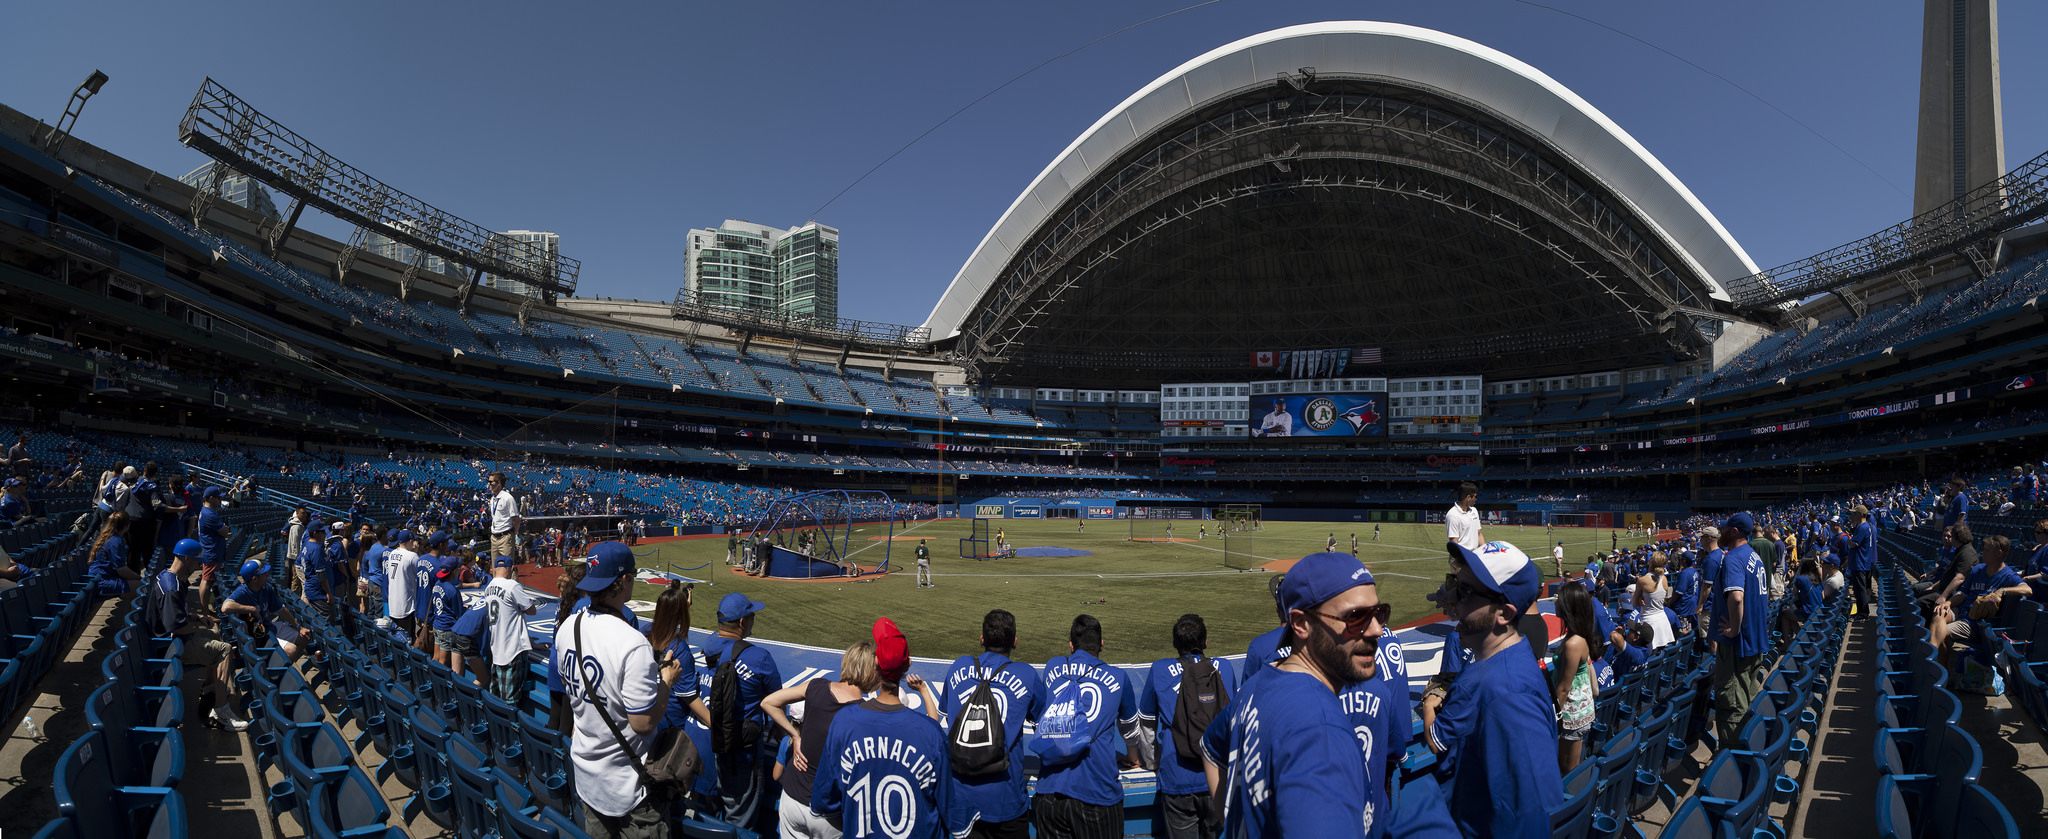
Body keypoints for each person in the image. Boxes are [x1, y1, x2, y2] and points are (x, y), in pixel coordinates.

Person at [1200, 551, 1382, 837]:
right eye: (1356, 617)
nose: (1376, 630)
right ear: (1300, 624)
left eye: (1379, 613)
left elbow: (1210, 751)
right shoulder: (1320, 734)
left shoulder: (1259, 683)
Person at [1426, 540, 1559, 839]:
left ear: (1504, 614)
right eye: (1455, 585)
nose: (1454, 599)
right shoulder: (1503, 664)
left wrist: (1430, 698)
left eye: (1466, 592)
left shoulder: (1507, 694)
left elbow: (1532, 811)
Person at [556, 541, 685, 838]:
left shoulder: (568, 627)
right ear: (624, 581)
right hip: (627, 787)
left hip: (587, 775)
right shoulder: (632, 642)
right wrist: (666, 681)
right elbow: (642, 723)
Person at [812, 618, 955, 839]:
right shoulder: (930, 733)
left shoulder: (845, 721)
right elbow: (950, 811)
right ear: (907, 666)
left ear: (875, 663)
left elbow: (824, 801)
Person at [940, 609, 1046, 839]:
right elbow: (1043, 723)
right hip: (1004, 797)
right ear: (1015, 641)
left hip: (961, 794)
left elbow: (946, 716)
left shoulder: (959, 666)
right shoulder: (1026, 675)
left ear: (981, 638)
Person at [1032, 615, 1139, 839]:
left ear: (1071, 645)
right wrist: (1133, 757)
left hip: (1049, 790)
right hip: (1097, 792)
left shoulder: (1053, 666)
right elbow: (1130, 728)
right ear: (1101, 644)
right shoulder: (1118, 677)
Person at [764, 640, 876, 839]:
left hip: (792, 797)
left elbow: (769, 702)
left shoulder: (815, 686)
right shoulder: (864, 713)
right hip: (827, 810)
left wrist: (794, 735)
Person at [1141, 614, 1238, 839]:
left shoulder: (1159, 670)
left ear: (1176, 644)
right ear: (1205, 642)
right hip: (1218, 775)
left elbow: (1146, 724)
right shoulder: (1223, 667)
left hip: (1177, 776)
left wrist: (1151, 761)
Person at [704, 592, 785, 834]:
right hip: (744, 749)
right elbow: (777, 701)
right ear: (741, 622)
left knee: (722, 801)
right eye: (751, 616)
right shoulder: (759, 658)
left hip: (715, 739)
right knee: (743, 814)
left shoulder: (710, 646)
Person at [151, 538, 247, 730]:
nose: (198, 565)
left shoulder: (167, 576)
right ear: (186, 559)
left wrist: (196, 618)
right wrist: (195, 627)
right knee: (225, 649)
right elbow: (176, 627)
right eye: (196, 561)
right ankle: (221, 712)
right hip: (171, 645)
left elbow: (177, 615)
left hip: (173, 639)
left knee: (213, 635)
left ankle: (211, 688)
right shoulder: (172, 587)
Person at [1711, 513, 1769, 745]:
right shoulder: (1754, 555)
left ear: (1734, 532)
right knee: (1747, 697)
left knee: (1732, 705)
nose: (1722, 532)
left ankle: (1733, 762)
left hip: (1738, 645)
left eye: (1726, 529)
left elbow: (1736, 598)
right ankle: (1748, 748)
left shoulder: (1734, 558)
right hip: (1754, 639)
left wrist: (1734, 629)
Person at [1930, 534, 2029, 670]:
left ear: (1999, 553)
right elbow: (1962, 594)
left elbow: (2027, 589)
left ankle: (1934, 661)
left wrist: (2002, 591)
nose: (1983, 552)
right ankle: (1936, 659)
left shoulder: (2008, 575)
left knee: (1943, 631)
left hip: (1974, 622)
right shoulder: (1977, 570)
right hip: (1962, 611)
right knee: (1939, 613)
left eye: (1987, 550)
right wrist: (1948, 603)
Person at [1551, 584, 1599, 774]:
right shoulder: (1577, 636)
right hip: (1578, 710)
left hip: (1572, 713)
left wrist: (1551, 717)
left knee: (1568, 768)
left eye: (1560, 599)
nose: (1556, 602)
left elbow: (1564, 687)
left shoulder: (1573, 643)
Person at [485, 554, 540, 703]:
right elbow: (531, 610)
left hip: (496, 647)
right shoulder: (512, 585)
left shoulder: (489, 587)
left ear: (496, 568)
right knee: (510, 700)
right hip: (512, 649)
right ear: (509, 569)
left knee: (495, 697)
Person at [222, 559, 303, 660]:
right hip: (259, 635)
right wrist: (250, 608)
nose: (267, 575)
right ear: (254, 579)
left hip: (269, 626)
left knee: (303, 637)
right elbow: (225, 607)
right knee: (291, 649)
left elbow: (281, 610)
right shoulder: (243, 591)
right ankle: (279, 670)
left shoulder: (266, 588)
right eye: (263, 574)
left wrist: (298, 627)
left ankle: (283, 664)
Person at [194, 487, 233, 616]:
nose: (220, 499)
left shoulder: (207, 511)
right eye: (218, 497)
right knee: (206, 580)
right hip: (211, 551)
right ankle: (204, 612)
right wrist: (225, 530)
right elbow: (225, 531)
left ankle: (206, 608)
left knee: (208, 580)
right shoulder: (210, 514)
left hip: (211, 550)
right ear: (211, 498)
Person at [86, 511, 141, 596]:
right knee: (142, 586)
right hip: (102, 581)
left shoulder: (108, 536)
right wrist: (139, 577)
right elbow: (121, 570)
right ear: (127, 525)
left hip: (98, 579)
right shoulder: (115, 540)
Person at [383, 530, 422, 641]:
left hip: (393, 604)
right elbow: (419, 577)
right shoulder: (412, 556)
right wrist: (416, 551)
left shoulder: (392, 553)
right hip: (407, 605)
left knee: (397, 638)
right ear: (410, 541)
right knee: (408, 639)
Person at [1633, 552, 1675, 649]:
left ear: (1651, 562)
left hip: (1648, 621)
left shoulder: (1642, 580)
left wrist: (1639, 598)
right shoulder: (1664, 578)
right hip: (1663, 620)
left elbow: (1634, 603)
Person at [1845, 505, 1877, 620]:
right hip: (1861, 562)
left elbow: (1853, 544)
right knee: (1859, 589)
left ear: (1860, 514)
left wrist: (1849, 539)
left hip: (1860, 562)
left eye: (1854, 513)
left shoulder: (1862, 527)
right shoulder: (1865, 526)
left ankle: (1863, 614)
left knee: (1860, 590)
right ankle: (1860, 612)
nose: (1852, 515)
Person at [489, 472, 522, 562]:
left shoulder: (508, 498)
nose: (489, 484)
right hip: (494, 537)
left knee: (507, 568)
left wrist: (513, 534)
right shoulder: (493, 499)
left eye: (492, 482)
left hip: (505, 537)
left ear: (499, 483)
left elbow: (516, 519)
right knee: (496, 569)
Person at [1446, 483, 1482, 553]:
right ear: (1468, 497)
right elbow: (1454, 542)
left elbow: (1479, 533)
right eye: (1475, 496)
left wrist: (1485, 552)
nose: (1476, 499)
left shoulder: (1474, 511)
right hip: (1462, 558)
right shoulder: (1452, 515)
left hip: (1475, 556)